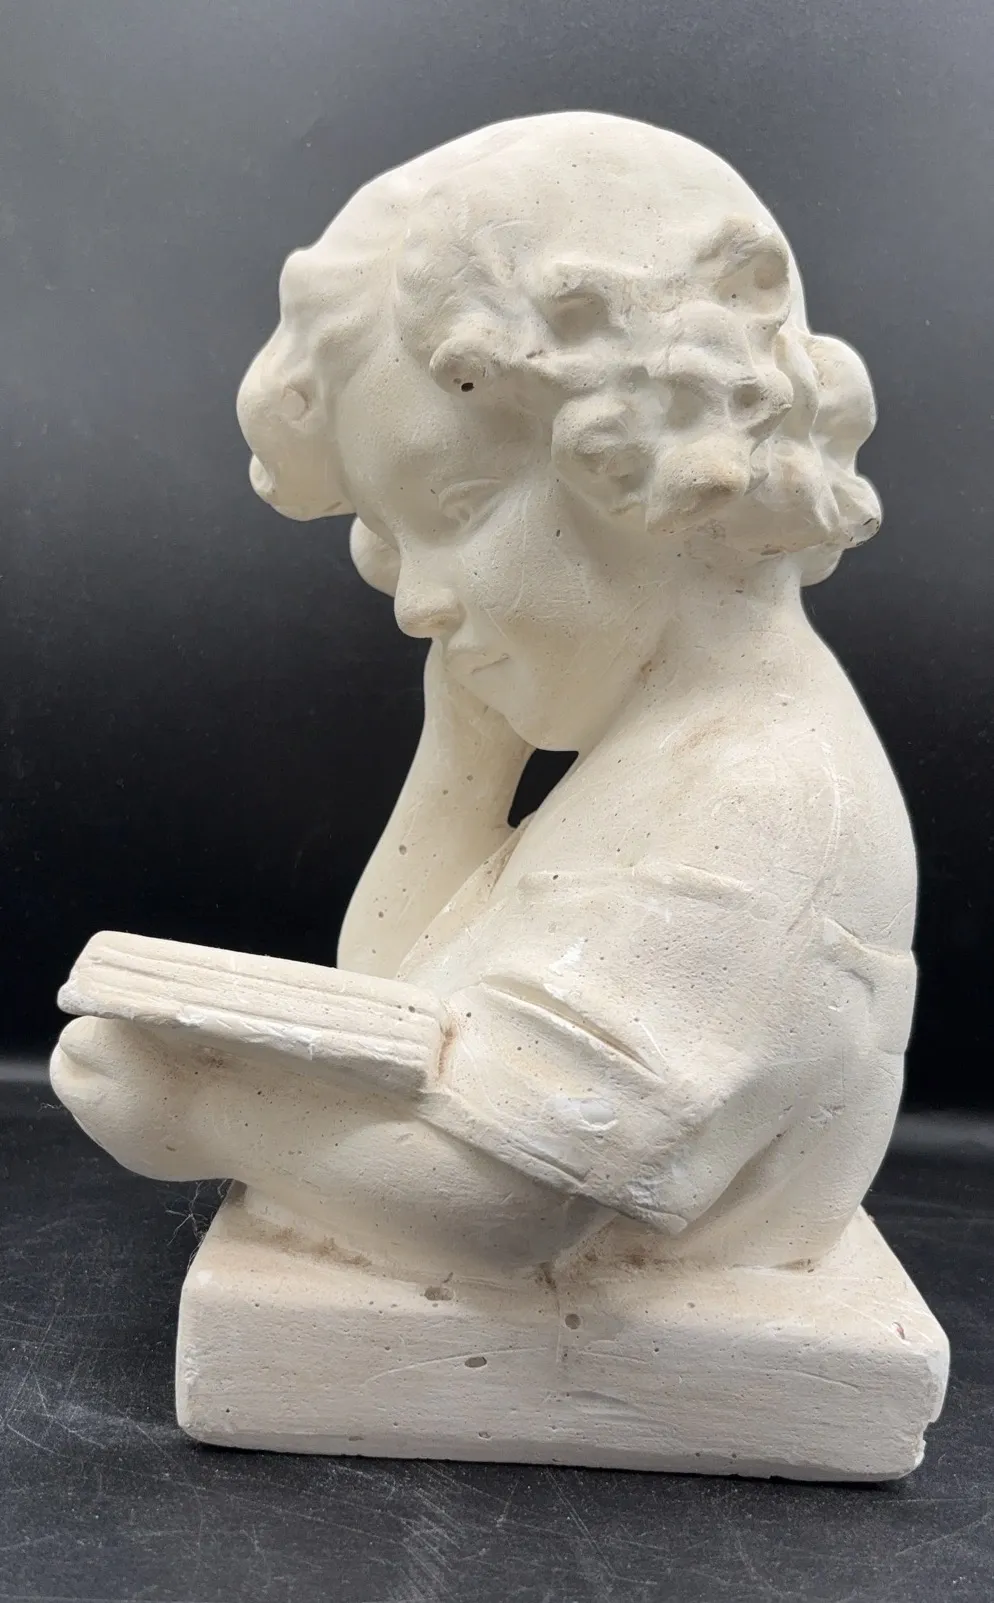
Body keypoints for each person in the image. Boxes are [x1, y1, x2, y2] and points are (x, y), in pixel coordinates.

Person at [52, 113, 917, 1283]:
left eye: (453, 509)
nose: (415, 601)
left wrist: (204, 1117)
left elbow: (507, 1206)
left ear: (653, 454)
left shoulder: (762, 804)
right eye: (392, 538)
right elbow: (395, 1004)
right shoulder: (657, 756)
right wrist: (462, 757)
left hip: (614, 1319)